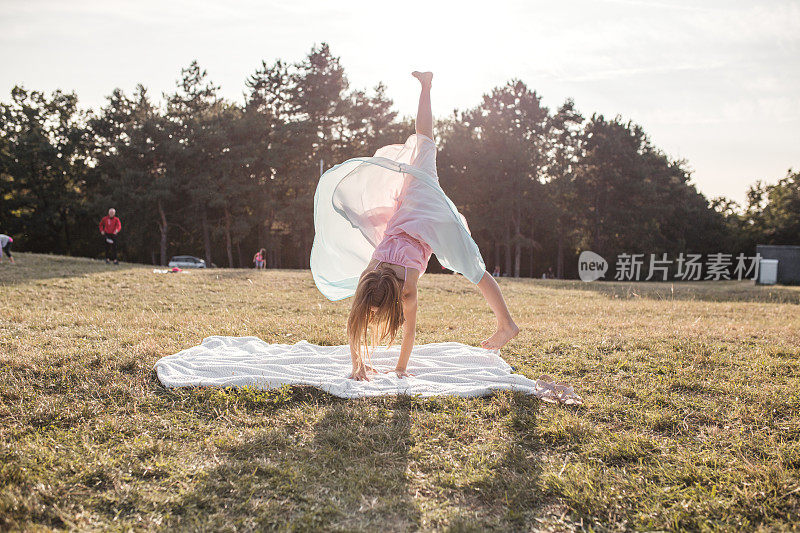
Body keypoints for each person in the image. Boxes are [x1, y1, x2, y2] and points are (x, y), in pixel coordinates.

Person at [311, 71, 519, 381]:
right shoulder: (372, 270)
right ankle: (426, 85)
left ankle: (508, 326)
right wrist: (359, 365)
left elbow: (406, 333)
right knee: (425, 139)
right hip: (417, 198)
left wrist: (400, 370)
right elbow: (357, 320)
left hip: (433, 219)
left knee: (473, 267)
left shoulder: (405, 289)